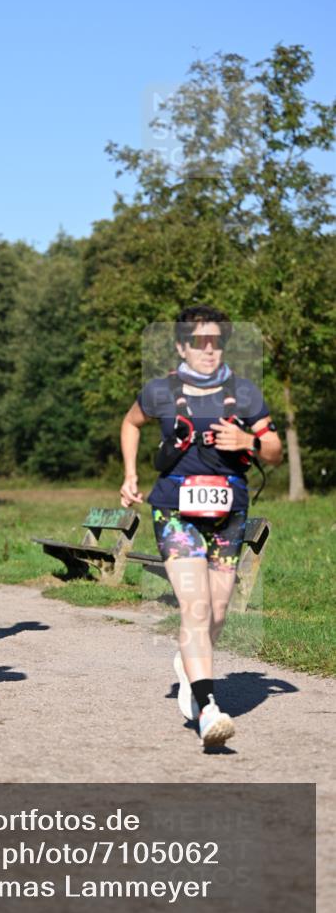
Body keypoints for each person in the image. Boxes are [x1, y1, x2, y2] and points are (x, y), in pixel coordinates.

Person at [120, 305, 282, 749]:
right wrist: (130, 474)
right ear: (181, 346)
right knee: (194, 606)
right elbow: (131, 424)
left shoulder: (245, 393)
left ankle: (188, 662)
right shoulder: (160, 391)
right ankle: (208, 707)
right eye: (199, 342)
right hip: (175, 510)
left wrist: (250, 441)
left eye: (216, 342)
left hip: (229, 513)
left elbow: (274, 451)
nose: (208, 350)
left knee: (219, 611)